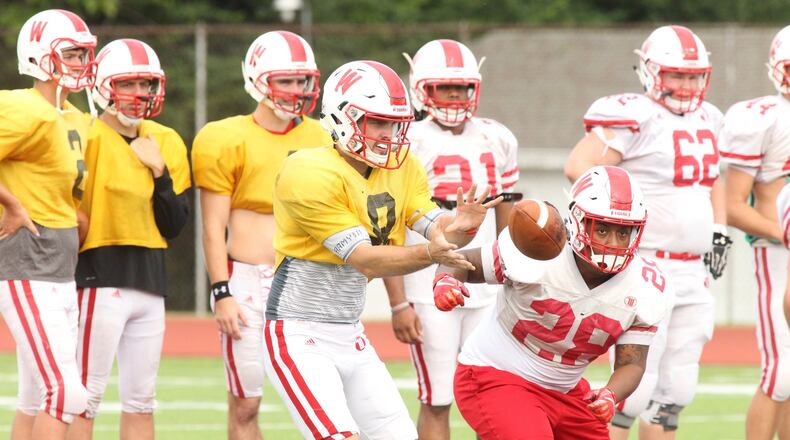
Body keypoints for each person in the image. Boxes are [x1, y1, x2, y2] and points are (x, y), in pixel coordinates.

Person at [265, 59, 501, 440]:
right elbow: (365, 259)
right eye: (377, 122)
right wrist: (432, 255)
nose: (388, 134)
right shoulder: (307, 171)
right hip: (299, 333)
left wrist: (462, 227)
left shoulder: (403, 168)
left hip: (350, 332)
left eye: (394, 124)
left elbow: (437, 230)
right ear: (341, 117)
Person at [564, 25, 729, 439]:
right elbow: (580, 168)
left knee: (676, 388)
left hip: (693, 268)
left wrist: (720, 227)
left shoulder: (710, 117)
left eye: (694, 75)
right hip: (647, 262)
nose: (687, 84)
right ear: (651, 71)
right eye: (677, 74)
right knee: (635, 387)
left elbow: (713, 179)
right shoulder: (634, 115)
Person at [436, 165, 670, 439]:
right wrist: (446, 281)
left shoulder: (644, 285)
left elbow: (632, 362)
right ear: (577, 221)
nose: (614, 242)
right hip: (496, 373)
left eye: (623, 232)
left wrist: (610, 394)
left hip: (566, 391)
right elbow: (460, 263)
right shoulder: (539, 252)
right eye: (603, 229)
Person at [191, 30, 331, 440]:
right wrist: (221, 292)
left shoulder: (324, 137)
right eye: (284, 80)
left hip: (309, 281)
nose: (295, 90)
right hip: (249, 282)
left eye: (301, 80)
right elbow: (213, 226)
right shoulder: (225, 137)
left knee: (324, 398)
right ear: (257, 79)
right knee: (247, 404)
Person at [384, 38, 519, 440]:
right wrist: (398, 303)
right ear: (422, 89)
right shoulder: (406, 140)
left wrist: (517, 271)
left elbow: (507, 212)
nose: (456, 96)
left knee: (491, 394)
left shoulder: (498, 137)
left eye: (462, 87)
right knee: (437, 397)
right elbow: (389, 224)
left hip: (486, 283)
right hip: (426, 284)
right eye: (446, 87)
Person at [64, 39, 191, 440]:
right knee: (84, 398)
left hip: (151, 280)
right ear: (102, 85)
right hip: (99, 278)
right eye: (129, 83)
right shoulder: (84, 135)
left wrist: (160, 174)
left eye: (146, 85)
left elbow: (174, 224)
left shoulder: (165, 139)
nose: (140, 94)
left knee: (142, 401)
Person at [0, 9, 96, 440]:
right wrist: (11, 203)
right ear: (41, 57)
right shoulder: (23, 107)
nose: (81, 63)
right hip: (26, 263)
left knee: (38, 395)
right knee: (65, 394)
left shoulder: (73, 118)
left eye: (83, 54)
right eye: (71, 53)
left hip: (59, 268)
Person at [718, 25, 790, 440]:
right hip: (777, 254)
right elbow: (732, 206)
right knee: (780, 373)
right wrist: (785, 234)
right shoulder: (762, 118)